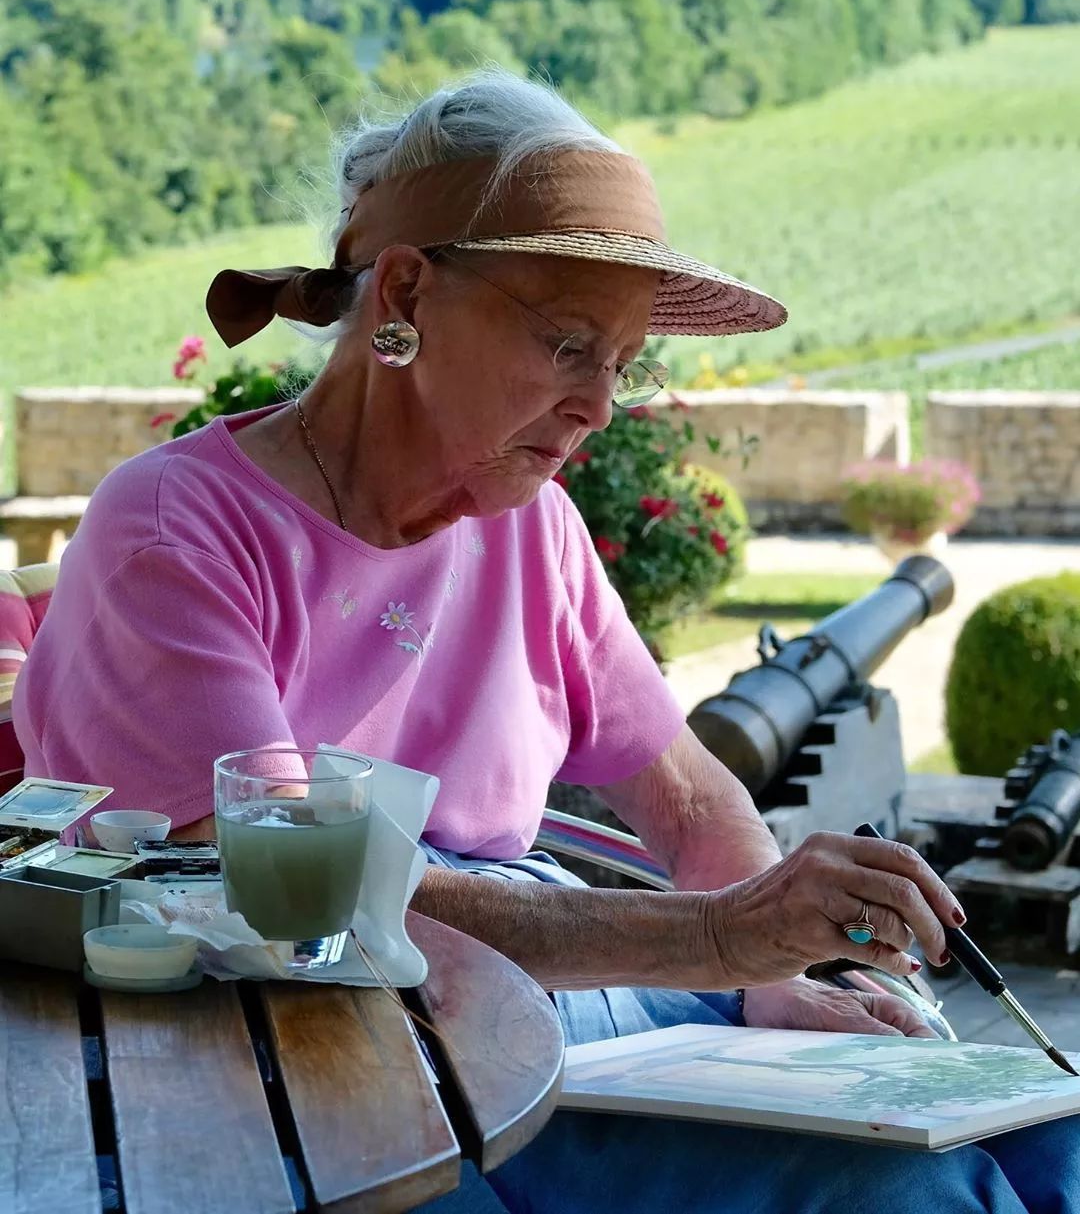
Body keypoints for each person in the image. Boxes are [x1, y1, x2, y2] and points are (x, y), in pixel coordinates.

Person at [14, 71, 1078, 1213]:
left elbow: (689, 798)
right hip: (340, 1045)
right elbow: (303, 899)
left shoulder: (533, 527)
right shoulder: (177, 529)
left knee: (1049, 1133)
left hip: (571, 1004)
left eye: (624, 364)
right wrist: (724, 940)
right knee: (910, 1195)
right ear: (406, 294)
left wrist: (773, 977)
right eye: (570, 345)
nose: (600, 406)